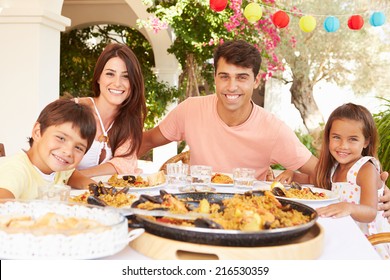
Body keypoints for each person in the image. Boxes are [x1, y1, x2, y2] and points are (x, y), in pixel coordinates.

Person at [139, 39, 318, 183]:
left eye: (242, 78)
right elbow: (146, 141)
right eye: (224, 77)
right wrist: (118, 171)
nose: (232, 87)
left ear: (256, 82)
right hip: (196, 212)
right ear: (215, 78)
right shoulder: (190, 109)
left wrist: (295, 176)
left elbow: (320, 173)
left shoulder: (273, 130)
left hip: (249, 218)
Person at [315, 103, 390, 259]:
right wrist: (292, 175)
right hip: (347, 235)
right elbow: (313, 179)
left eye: (353, 139)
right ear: (328, 137)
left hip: (370, 243)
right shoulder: (335, 167)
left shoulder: (366, 169)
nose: (343, 146)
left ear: (366, 142)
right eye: (336, 137)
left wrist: (348, 207)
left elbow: (370, 212)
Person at [74, 43, 147, 178]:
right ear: (98, 77)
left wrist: (79, 176)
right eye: (110, 74)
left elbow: (124, 163)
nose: (117, 83)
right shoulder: (73, 111)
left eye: (125, 76)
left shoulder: (129, 119)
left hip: (98, 196)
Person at [0, 99, 97, 199]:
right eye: (61, 138)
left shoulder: (59, 169)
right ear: (38, 132)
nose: (68, 152)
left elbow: (74, 176)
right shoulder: (16, 170)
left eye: (78, 147)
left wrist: (98, 189)